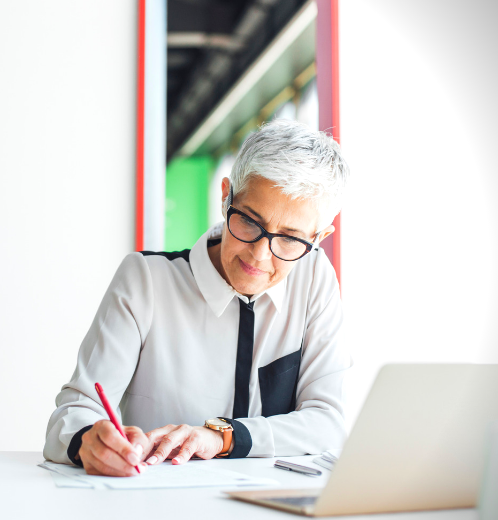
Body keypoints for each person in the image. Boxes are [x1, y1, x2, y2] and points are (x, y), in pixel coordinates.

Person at [43, 119, 351, 477]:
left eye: (289, 239)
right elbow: (71, 415)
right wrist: (88, 441)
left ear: (319, 237)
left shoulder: (314, 278)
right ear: (226, 196)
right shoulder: (146, 280)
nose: (260, 255)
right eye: (250, 222)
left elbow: (328, 423)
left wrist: (222, 438)